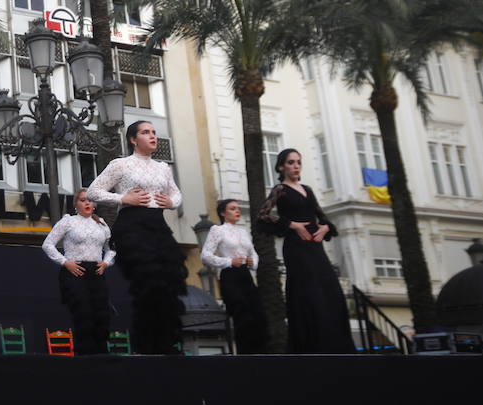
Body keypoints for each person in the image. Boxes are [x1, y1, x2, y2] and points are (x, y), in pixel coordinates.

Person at [87, 120, 187, 354]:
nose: (152, 136)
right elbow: (93, 191)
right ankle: (146, 345)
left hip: (157, 224)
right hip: (132, 225)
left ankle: (166, 343)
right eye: (145, 132)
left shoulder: (163, 168)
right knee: (147, 282)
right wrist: (123, 199)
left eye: (153, 132)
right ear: (133, 139)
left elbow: (176, 192)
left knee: (168, 282)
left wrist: (172, 202)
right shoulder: (121, 164)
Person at [255, 148, 354, 353]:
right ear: (282, 166)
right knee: (307, 292)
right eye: (291, 162)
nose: (296, 166)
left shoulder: (307, 189)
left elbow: (321, 216)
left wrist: (326, 227)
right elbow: (263, 215)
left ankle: (335, 345)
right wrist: (293, 225)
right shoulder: (279, 189)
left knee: (330, 290)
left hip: (315, 246)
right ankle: (309, 346)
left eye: (298, 162)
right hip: (296, 246)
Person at [41, 188, 115, 355]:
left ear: (94, 204)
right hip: (75, 271)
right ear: (76, 204)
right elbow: (48, 244)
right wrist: (65, 262)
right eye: (82, 200)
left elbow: (111, 249)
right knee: (84, 314)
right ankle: (85, 356)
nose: (87, 203)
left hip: (96, 271)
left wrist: (106, 263)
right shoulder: (68, 221)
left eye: (89, 200)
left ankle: (101, 354)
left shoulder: (101, 224)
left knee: (102, 314)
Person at [201, 198, 268, 354]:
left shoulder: (243, 232)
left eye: (238, 208)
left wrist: (253, 263)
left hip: (246, 276)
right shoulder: (217, 230)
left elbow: (254, 254)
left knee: (258, 314)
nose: (237, 211)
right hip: (230, 275)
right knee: (242, 314)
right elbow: (205, 255)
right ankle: (245, 355)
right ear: (223, 213)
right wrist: (229, 261)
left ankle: (261, 353)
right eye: (232, 208)